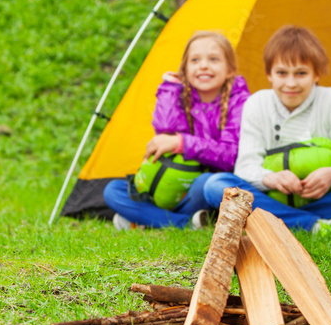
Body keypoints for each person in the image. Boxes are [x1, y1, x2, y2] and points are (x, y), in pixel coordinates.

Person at [203, 26, 331, 234]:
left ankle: (278, 221)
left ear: (316, 74)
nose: (290, 83)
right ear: (269, 74)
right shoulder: (256, 104)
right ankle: (317, 226)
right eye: (282, 73)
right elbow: (245, 167)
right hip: (269, 197)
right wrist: (271, 178)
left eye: (301, 73)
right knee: (216, 185)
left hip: (325, 198)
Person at [103, 31, 250, 229]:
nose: (203, 65)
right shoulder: (182, 97)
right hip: (171, 183)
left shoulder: (240, 102)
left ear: (230, 69)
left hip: (204, 189)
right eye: (195, 60)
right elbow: (165, 129)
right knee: (113, 191)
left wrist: (182, 144)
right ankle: (185, 223)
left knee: (205, 183)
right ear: (185, 69)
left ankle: (147, 220)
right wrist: (170, 88)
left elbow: (230, 155)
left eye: (213, 59)